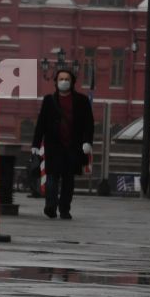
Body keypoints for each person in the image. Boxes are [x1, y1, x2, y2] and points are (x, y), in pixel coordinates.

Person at [30, 67, 95, 220]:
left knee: (68, 179)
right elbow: (41, 124)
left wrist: (87, 142)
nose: (64, 82)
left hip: (73, 146)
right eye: (61, 79)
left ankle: (65, 209)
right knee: (52, 177)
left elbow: (88, 124)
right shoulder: (49, 100)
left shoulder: (82, 100)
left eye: (67, 79)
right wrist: (35, 144)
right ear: (56, 82)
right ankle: (50, 206)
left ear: (72, 82)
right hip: (54, 145)